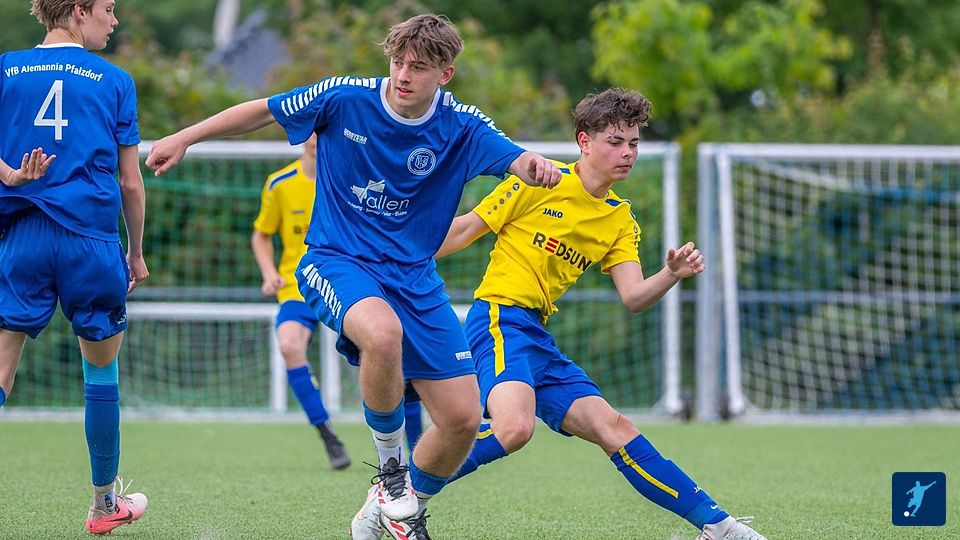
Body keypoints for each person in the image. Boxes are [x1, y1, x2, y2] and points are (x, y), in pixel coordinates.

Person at [146, 13, 561, 539]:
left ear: (445, 74)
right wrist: (186, 136)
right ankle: (390, 472)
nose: (403, 75)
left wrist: (535, 166)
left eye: (418, 67)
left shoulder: (461, 124)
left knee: (461, 420)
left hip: (415, 279)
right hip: (335, 261)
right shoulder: (344, 97)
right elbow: (263, 111)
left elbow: (515, 158)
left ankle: (388, 513)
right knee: (382, 334)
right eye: (398, 62)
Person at [434, 88, 768, 540]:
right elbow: (461, 232)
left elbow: (634, 297)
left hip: (535, 335)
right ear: (584, 141)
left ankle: (719, 527)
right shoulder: (537, 180)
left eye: (633, 143)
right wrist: (395, 252)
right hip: (497, 317)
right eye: (615, 141)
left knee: (615, 428)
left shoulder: (619, 219)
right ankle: (402, 489)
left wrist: (671, 274)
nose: (627, 152)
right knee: (513, 428)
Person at [0, 0, 149, 535]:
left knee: (1, 369)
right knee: (101, 372)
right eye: (108, 8)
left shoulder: (5, 68)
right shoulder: (114, 80)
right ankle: (105, 505)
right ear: (80, 11)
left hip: (23, 237)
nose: (115, 19)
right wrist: (135, 251)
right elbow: (130, 182)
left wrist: (10, 176)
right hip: (91, 241)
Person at [251, 133, 352, 470]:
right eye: (312, 131)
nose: (318, 139)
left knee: (382, 349)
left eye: (325, 131)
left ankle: (401, 441)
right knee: (289, 345)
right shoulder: (280, 184)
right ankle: (327, 434)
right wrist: (269, 273)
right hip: (298, 287)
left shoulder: (351, 178)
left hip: (346, 285)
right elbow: (262, 234)